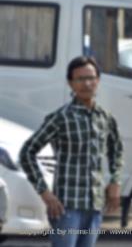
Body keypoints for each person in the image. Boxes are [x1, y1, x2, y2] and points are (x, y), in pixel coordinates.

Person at [20, 56, 123, 247]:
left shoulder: (105, 118)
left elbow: (116, 150)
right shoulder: (61, 118)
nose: (87, 83)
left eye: (91, 78)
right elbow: (27, 152)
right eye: (80, 79)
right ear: (70, 83)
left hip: (95, 206)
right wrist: (45, 193)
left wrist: (116, 181)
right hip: (66, 208)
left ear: (98, 80)